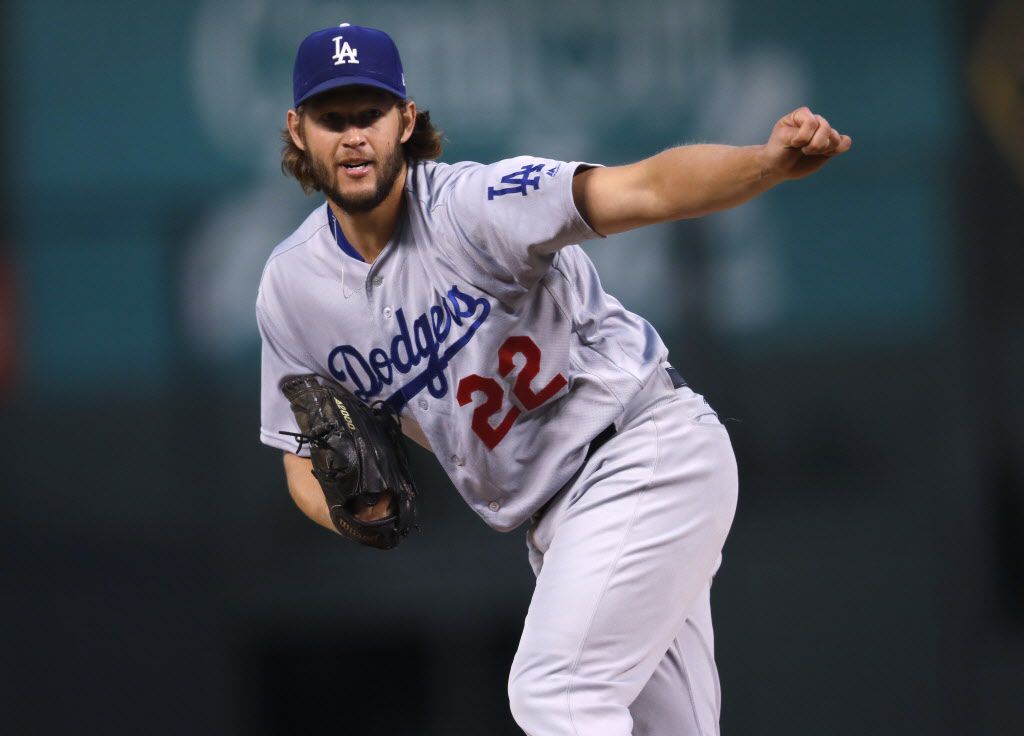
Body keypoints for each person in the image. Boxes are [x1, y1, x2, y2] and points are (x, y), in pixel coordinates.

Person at [257, 23, 851, 736]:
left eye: (370, 114)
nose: (354, 136)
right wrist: (351, 512)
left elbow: (647, 188)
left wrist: (765, 163)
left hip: (640, 451)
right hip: (561, 526)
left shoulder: (475, 208)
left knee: (554, 691)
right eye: (332, 118)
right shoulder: (292, 288)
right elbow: (299, 458)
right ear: (297, 131)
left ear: (405, 121)